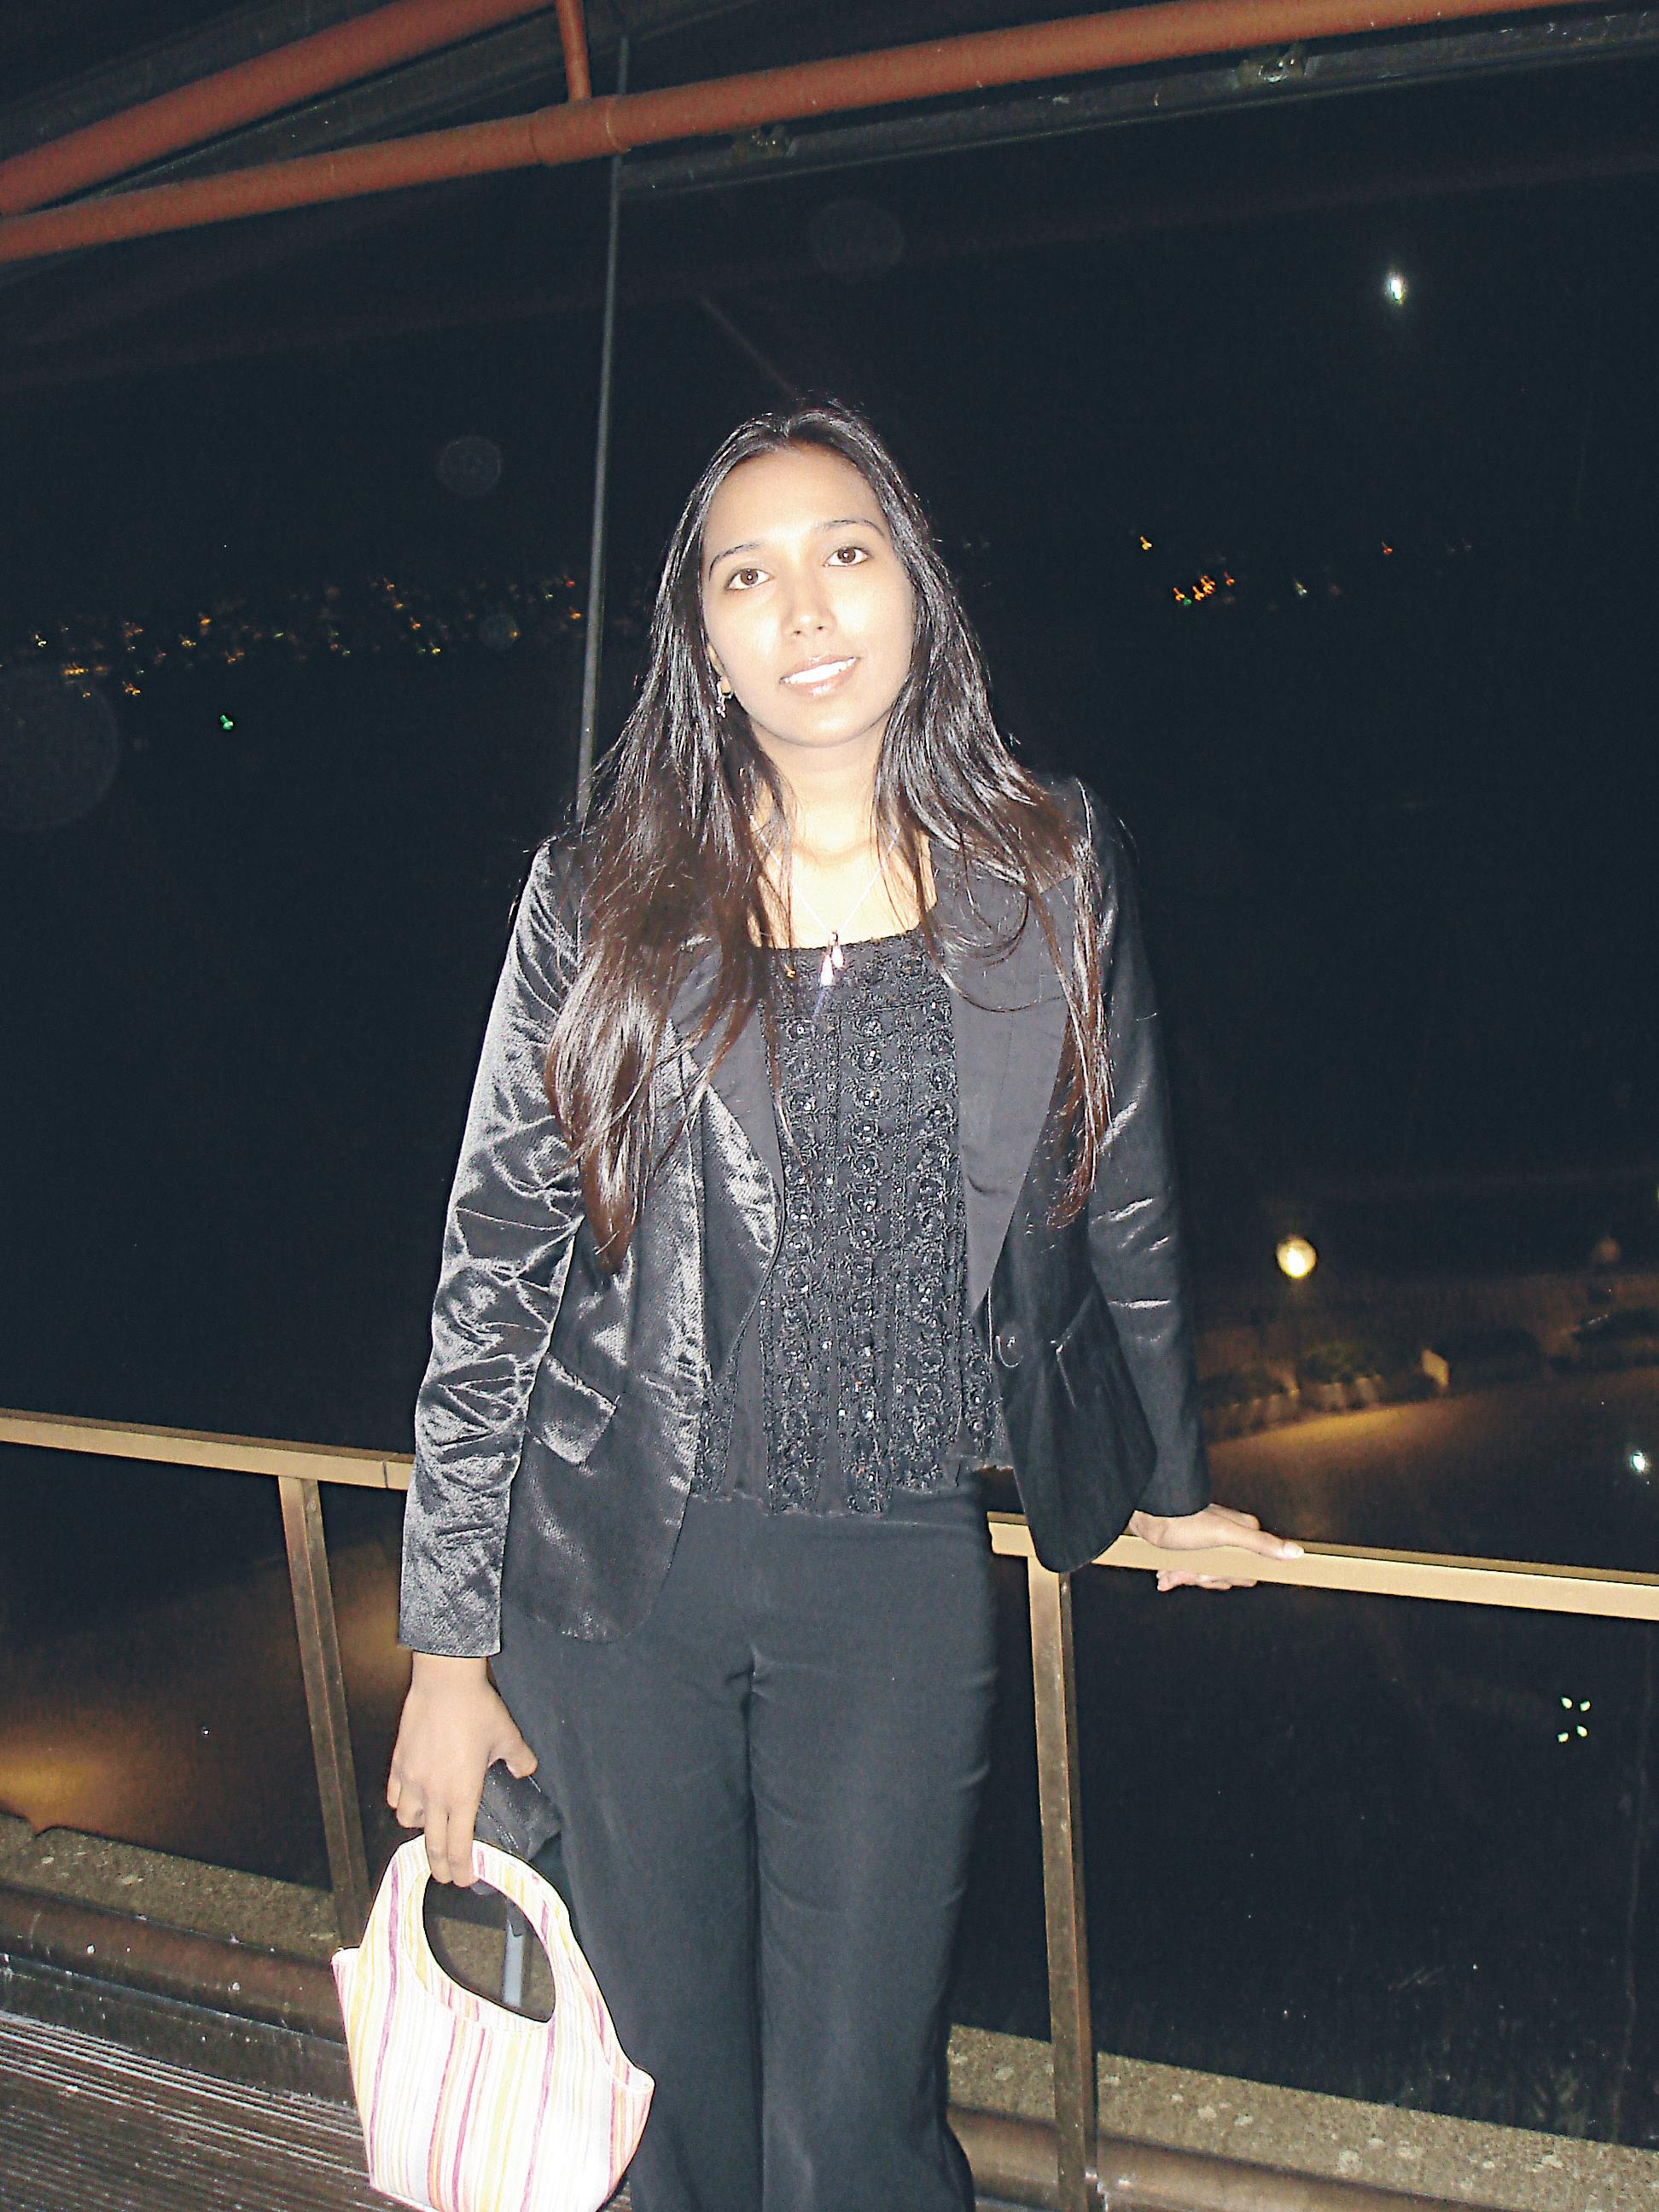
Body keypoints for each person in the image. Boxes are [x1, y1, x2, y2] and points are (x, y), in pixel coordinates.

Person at [387, 400, 1299, 2212]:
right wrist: (446, 1652)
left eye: (845, 552)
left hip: (894, 1560)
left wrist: (1171, 1487)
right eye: (748, 575)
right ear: (704, 640)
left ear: (915, 590)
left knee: (852, 2125)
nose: (803, 607)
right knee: (667, 2105)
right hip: (614, 1575)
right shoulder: (602, 893)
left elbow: (1125, 1200)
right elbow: (493, 1270)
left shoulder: (1049, 862)